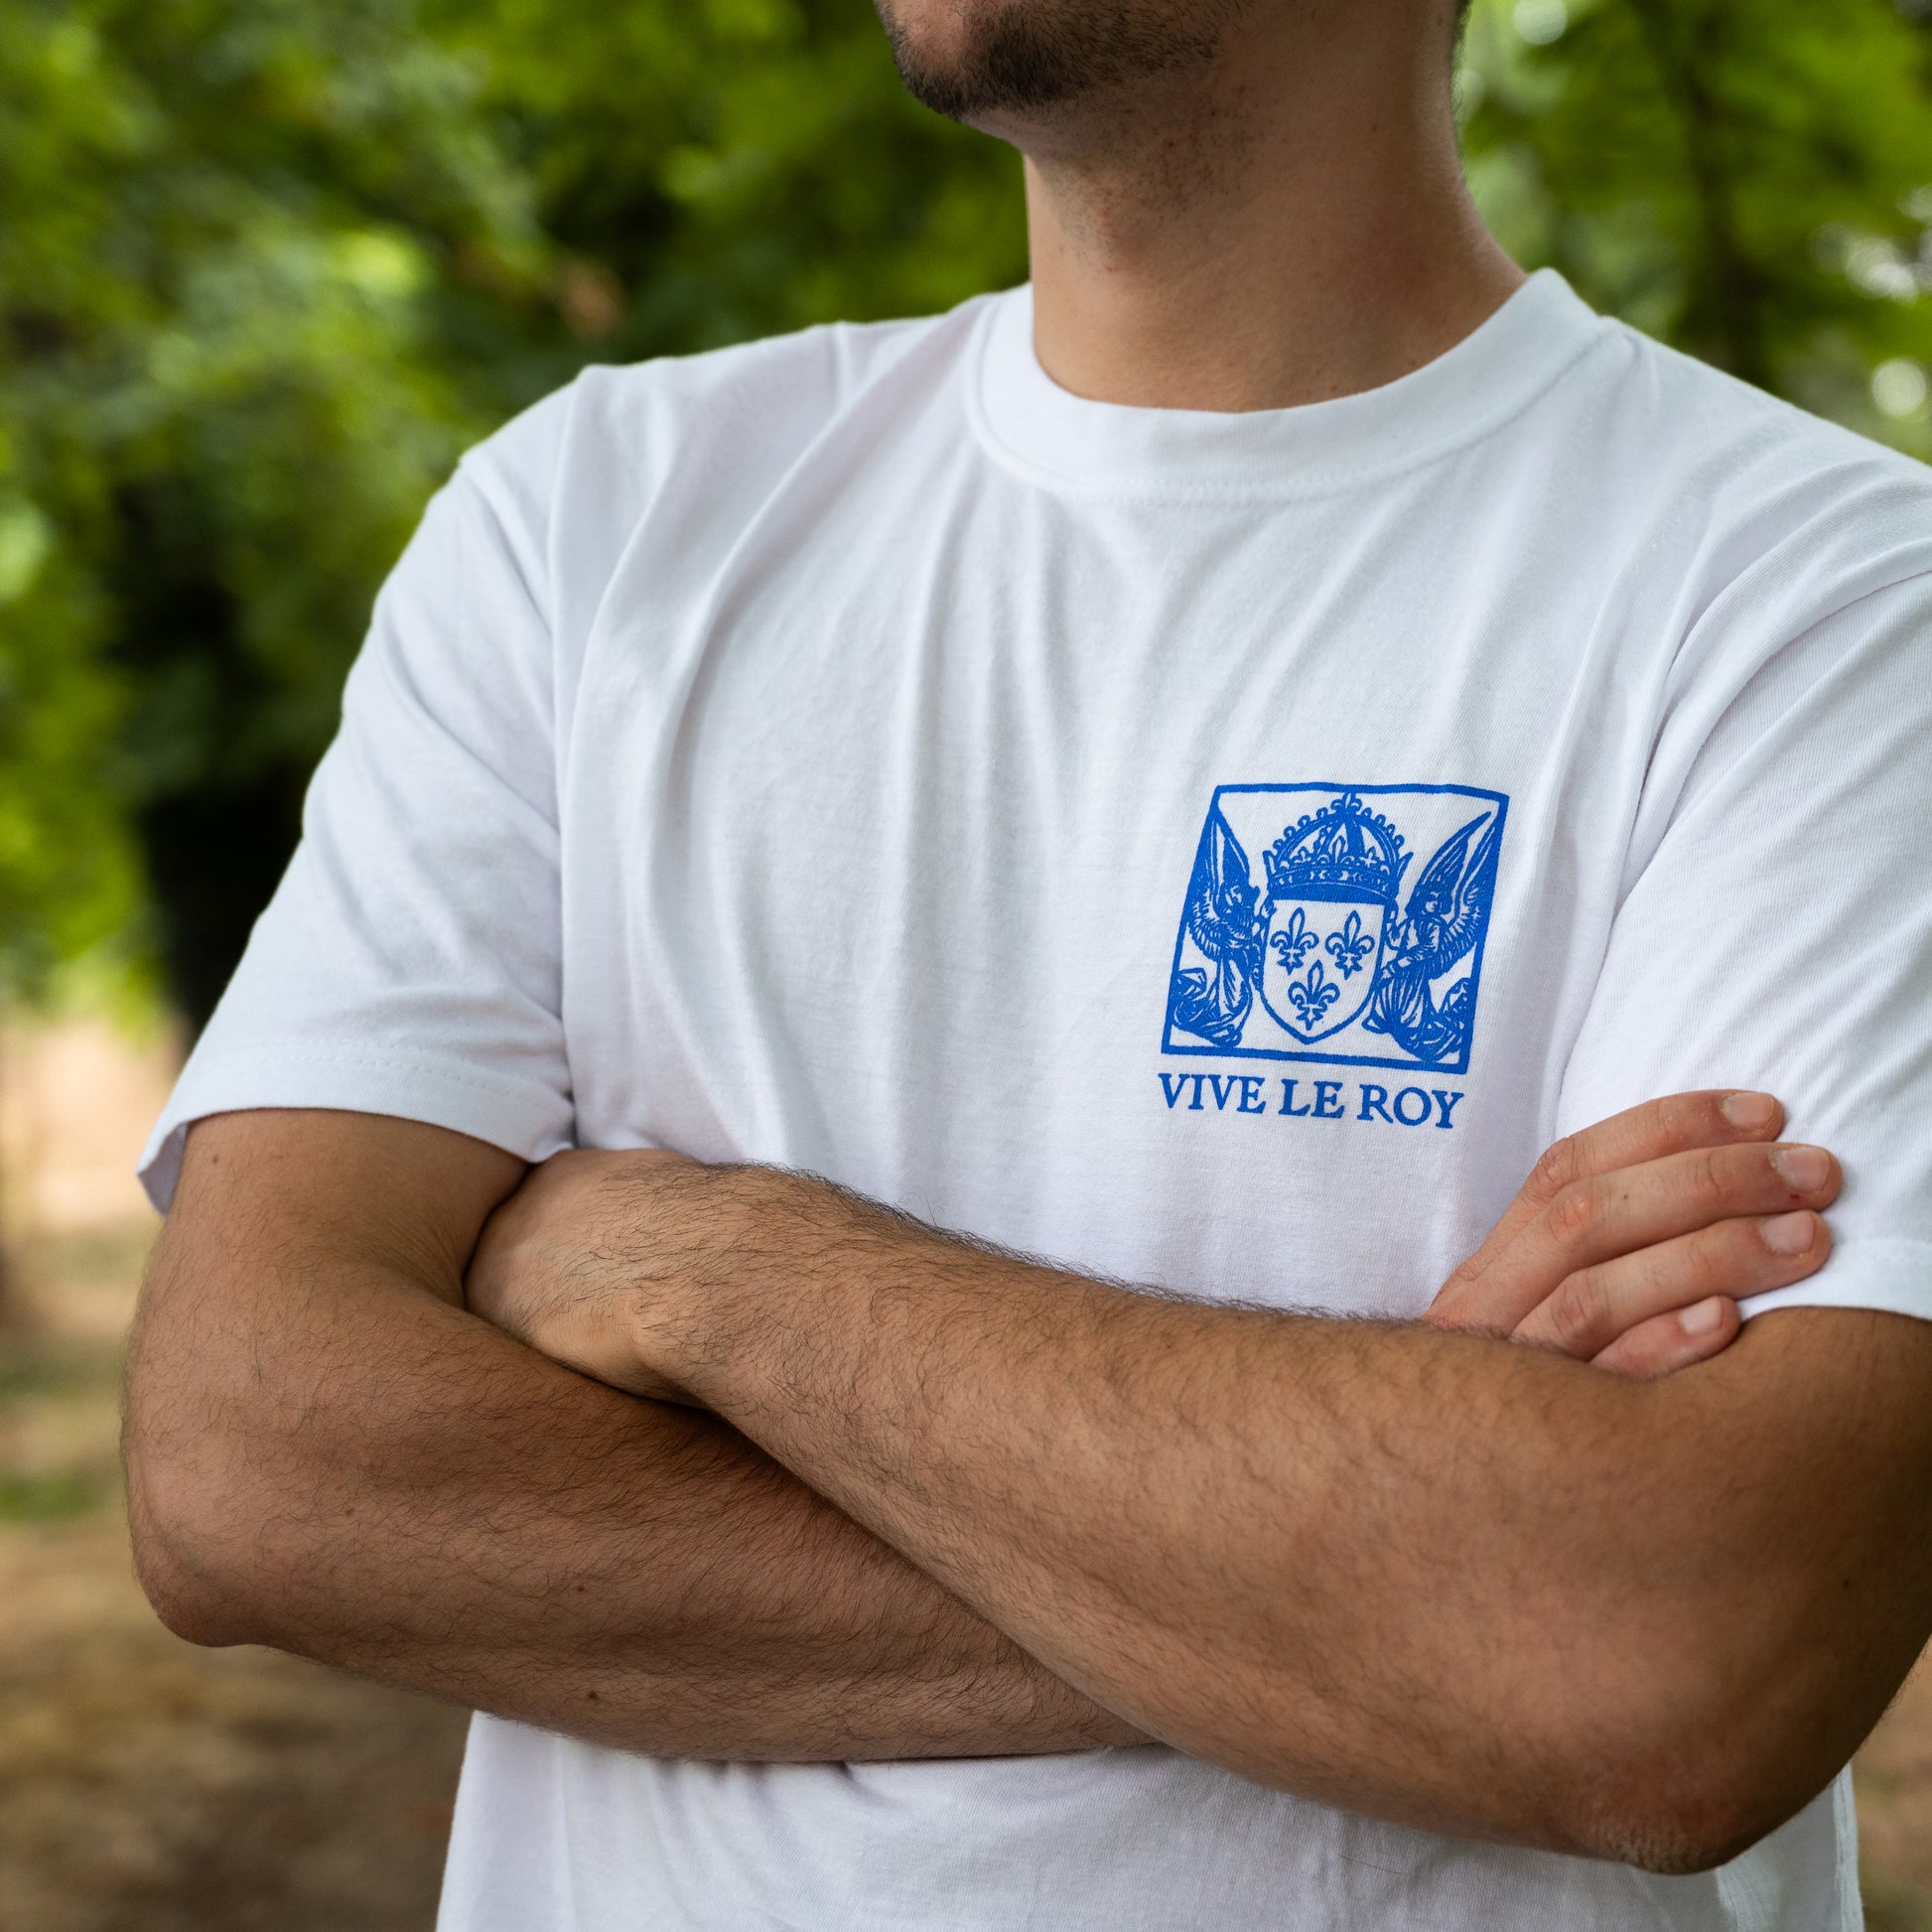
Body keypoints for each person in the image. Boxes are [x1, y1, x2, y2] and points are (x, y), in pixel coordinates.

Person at [121, 0, 1932, 1926]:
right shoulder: (590, 528)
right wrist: (1368, 1589)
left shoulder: (1825, 605)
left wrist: (703, 1265)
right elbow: (253, 1463)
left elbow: (1660, 1667)